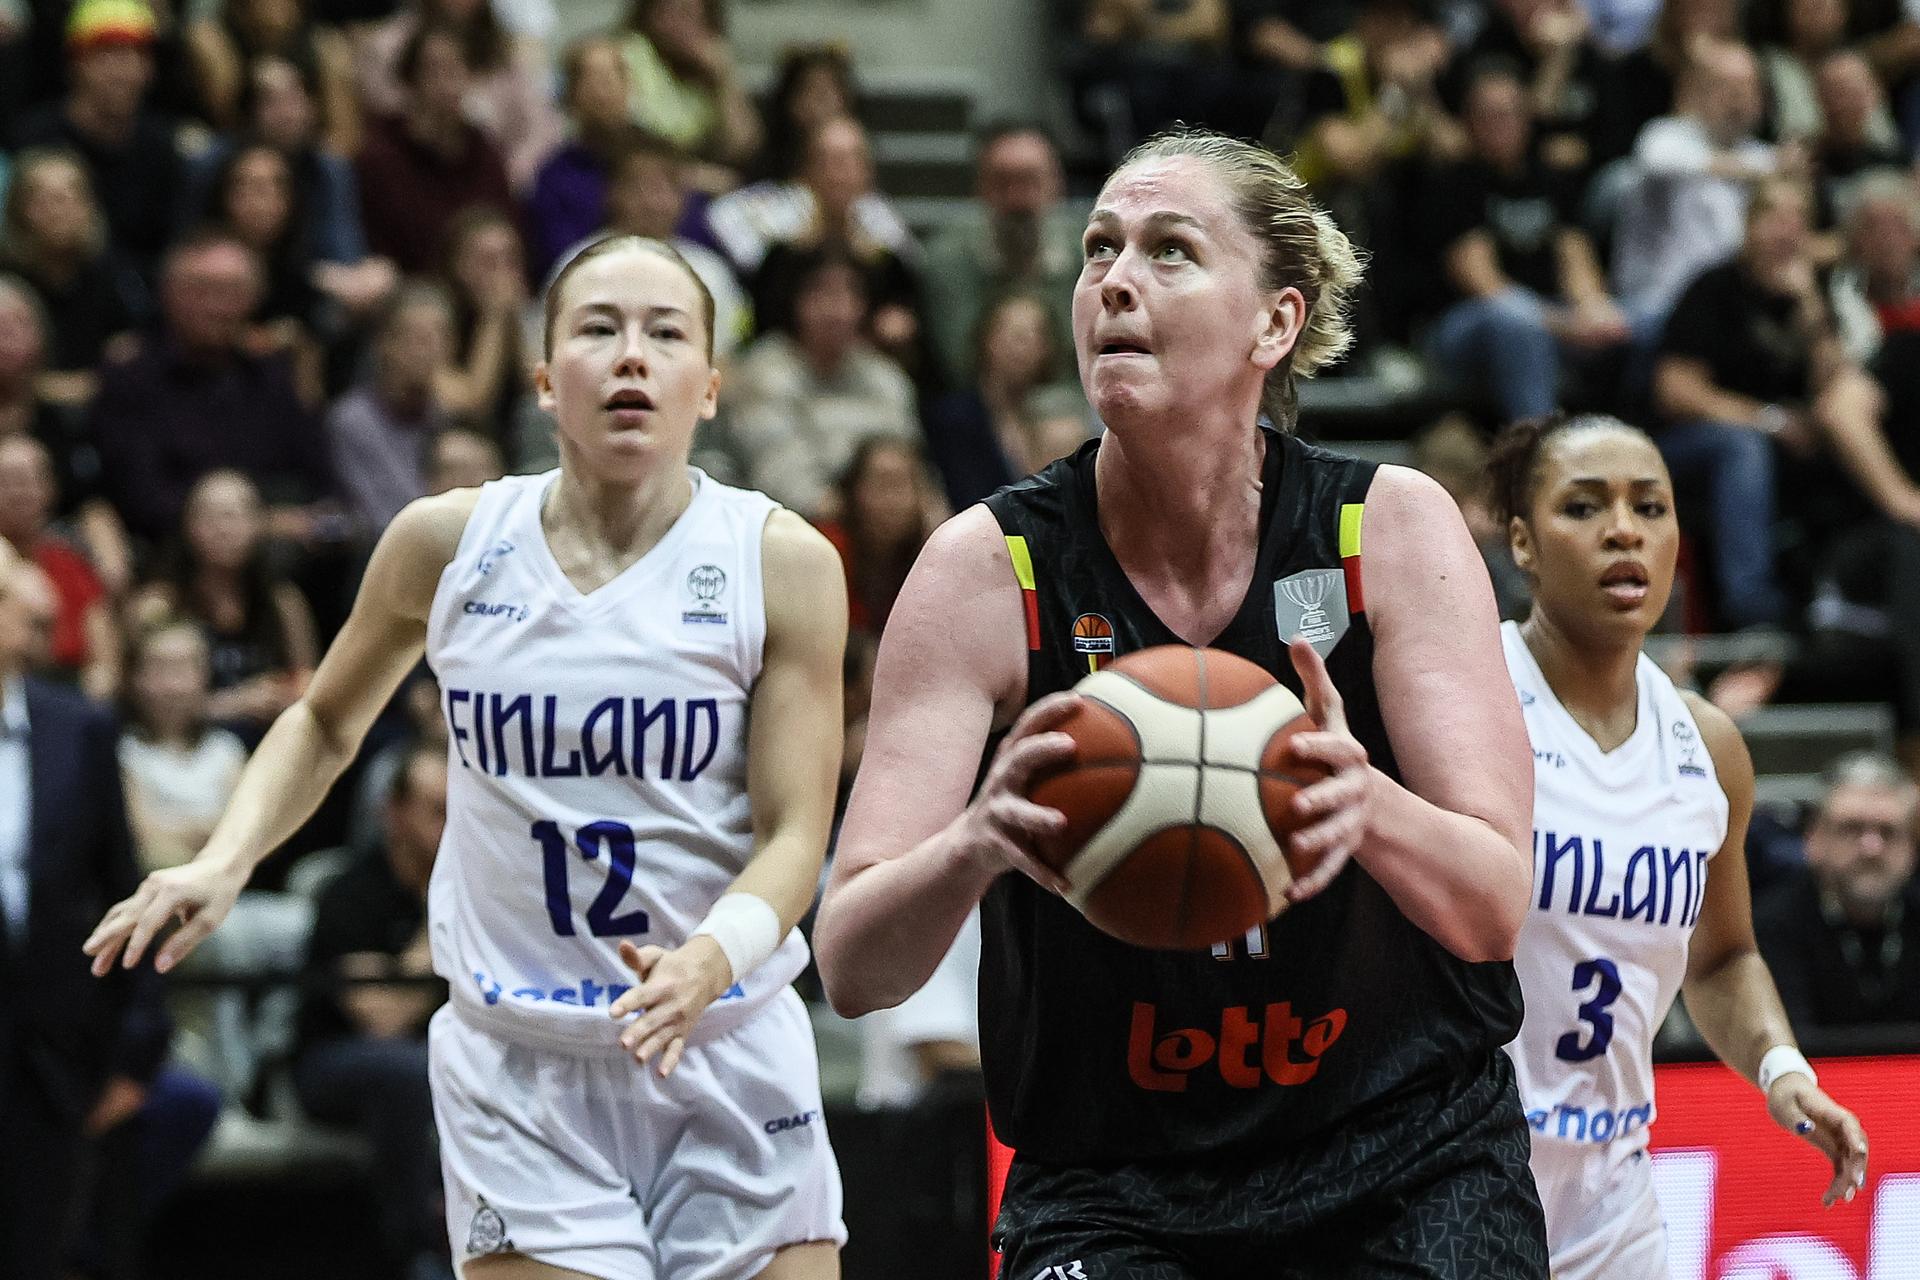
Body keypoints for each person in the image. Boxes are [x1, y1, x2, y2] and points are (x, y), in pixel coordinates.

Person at [815, 127, 1550, 1276]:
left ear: (1276, 324)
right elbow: (854, 962)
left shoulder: (1385, 529)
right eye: (1100, 248)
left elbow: (1494, 906)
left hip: (1402, 1147)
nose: (1113, 277)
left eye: (1169, 250)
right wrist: (976, 839)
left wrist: (1370, 805)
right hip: (1114, 1182)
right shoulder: (987, 566)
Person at [86, 232, 850, 1280]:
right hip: (520, 1065)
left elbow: (797, 831)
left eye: (665, 332)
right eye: (598, 328)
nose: (632, 354)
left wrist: (711, 954)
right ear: (544, 380)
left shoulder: (783, 562)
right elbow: (323, 721)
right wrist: (226, 858)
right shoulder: (449, 542)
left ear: (709, 387)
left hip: (722, 1037)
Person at [1485, 412, 1870, 1279]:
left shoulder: (1707, 745)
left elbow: (1725, 957)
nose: (1625, 529)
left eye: (1650, 508)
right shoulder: (1472, 698)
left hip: (1612, 1199)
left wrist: (1781, 1071)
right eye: (1584, 508)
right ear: (1523, 544)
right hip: (1456, 1175)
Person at [0, 536, 169, 1280]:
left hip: (50, 1057)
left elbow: (121, 884)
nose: (30, 599)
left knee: (38, 1254)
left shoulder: (79, 728)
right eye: (12, 588)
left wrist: (138, 1045)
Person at [294, 743, 451, 1280]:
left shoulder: (473, 893)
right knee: (406, 1070)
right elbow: (379, 1018)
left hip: (434, 1058)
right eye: (437, 810)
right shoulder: (347, 892)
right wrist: (442, 929)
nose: (452, 826)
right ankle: (417, 1252)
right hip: (330, 1063)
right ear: (394, 812)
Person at [1756, 751, 1920, 1029]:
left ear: (1912, 847)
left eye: (1888, 831)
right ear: (1813, 839)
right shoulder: (1770, 927)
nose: (1872, 848)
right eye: (1851, 829)